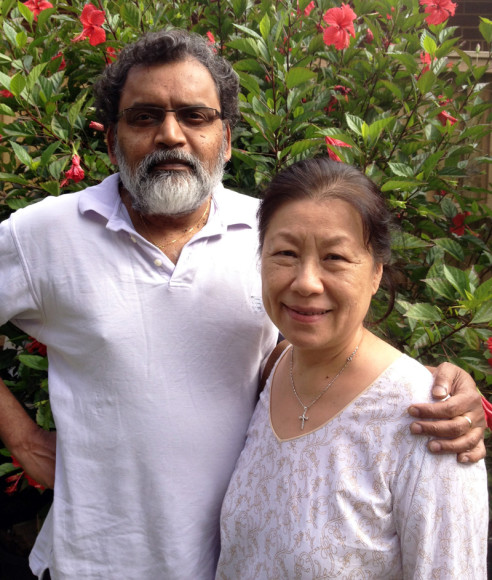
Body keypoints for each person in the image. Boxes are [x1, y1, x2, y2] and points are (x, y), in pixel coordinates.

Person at [0, 29, 485, 580]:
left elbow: (311, 354)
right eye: (144, 117)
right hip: (93, 562)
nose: (171, 135)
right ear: (112, 141)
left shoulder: (272, 235)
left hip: (234, 561)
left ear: (225, 138)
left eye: (195, 116)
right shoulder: (45, 233)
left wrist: (429, 388)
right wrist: (21, 436)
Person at [216, 157, 488, 579]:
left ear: (377, 272)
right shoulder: (272, 370)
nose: (306, 281)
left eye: (335, 258)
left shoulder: (430, 422)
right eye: (285, 253)